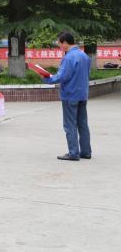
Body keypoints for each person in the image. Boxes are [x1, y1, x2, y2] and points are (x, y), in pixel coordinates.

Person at [40, 32, 92, 161]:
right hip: (82, 94)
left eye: (59, 43)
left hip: (70, 95)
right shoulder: (84, 56)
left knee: (70, 125)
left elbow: (62, 76)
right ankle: (86, 152)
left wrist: (46, 78)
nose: (59, 46)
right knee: (83, 124)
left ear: (65, 43)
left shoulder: (68, 58)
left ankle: (73, 153)